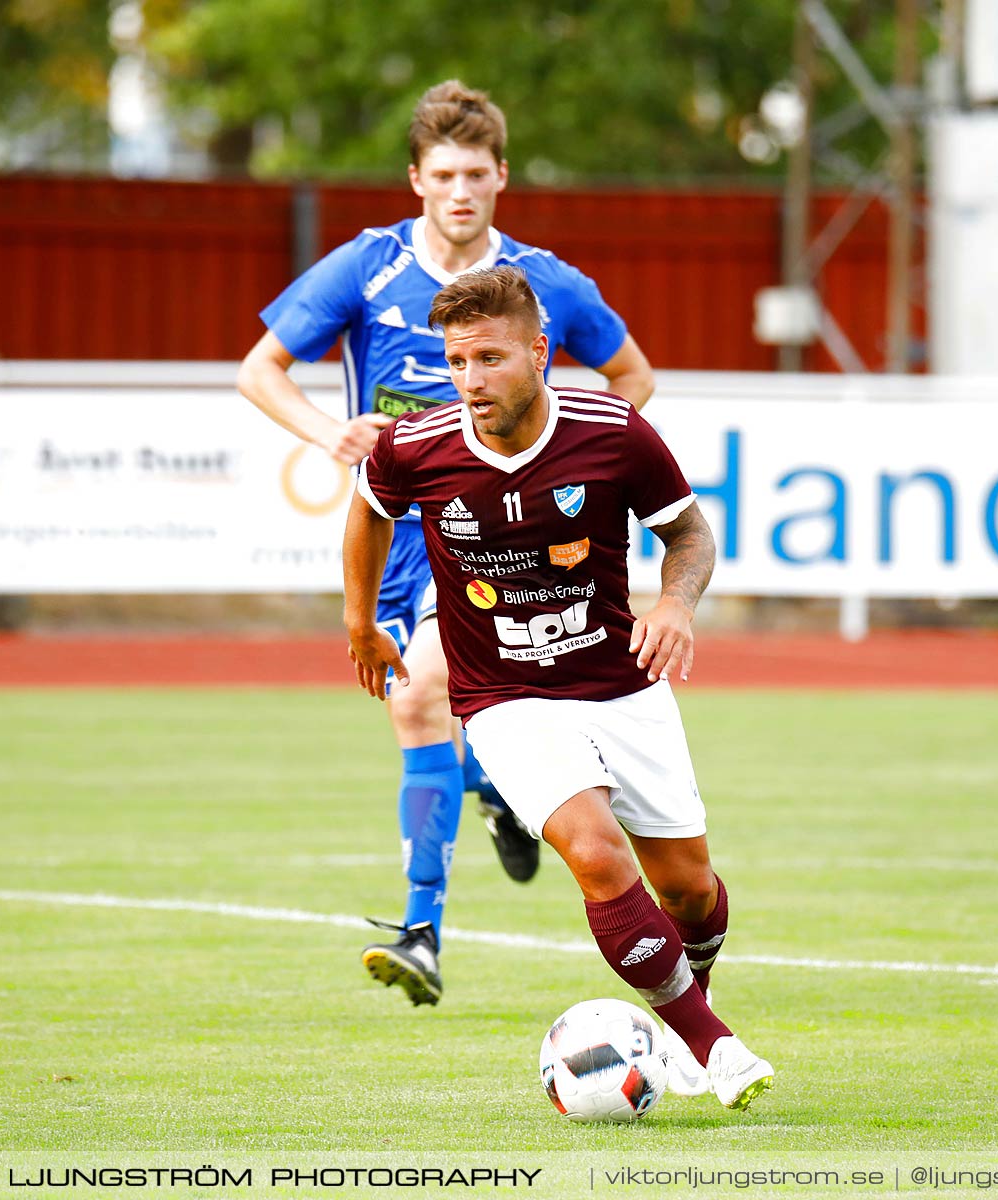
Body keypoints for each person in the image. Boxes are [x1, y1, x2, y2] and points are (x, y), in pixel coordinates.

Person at [237, 81, 654, 1008]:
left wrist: (561, 472)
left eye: (477, 174)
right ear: (416, 180)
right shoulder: (368, 268)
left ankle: (422, 928)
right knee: (416, 716)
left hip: (485, 537)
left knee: (422, 692)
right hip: (388, 533)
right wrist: (325, 432)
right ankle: (502, 785)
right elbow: (258, 370)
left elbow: (633, 378)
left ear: (502, 177)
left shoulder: (543, 282)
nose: (460, 191)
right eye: (444, 175)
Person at [342, 265, 774, 1111]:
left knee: (688, 885)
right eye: (457, 362)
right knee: (595, 852)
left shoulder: (613, 431)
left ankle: (694, 1001)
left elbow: (689, 534)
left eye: (491, 359)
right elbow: (367, 506)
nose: (471, 381)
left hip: (621, 685)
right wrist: (359, 621)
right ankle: (714, 1048)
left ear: (539, 352)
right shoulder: (415, 445)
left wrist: (675, 606)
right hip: (503, 700)